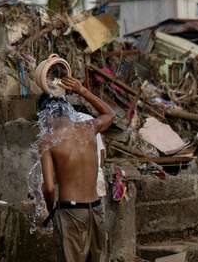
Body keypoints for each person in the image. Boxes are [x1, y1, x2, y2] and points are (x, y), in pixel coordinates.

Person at [39, 77, 116, 262]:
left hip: (71, 213)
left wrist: (52, 210)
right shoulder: (88, 128)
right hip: (96, 208)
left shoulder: (47, 141)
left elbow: (49, 188)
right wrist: (83, 91)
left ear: (46, 115)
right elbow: (110, 114)